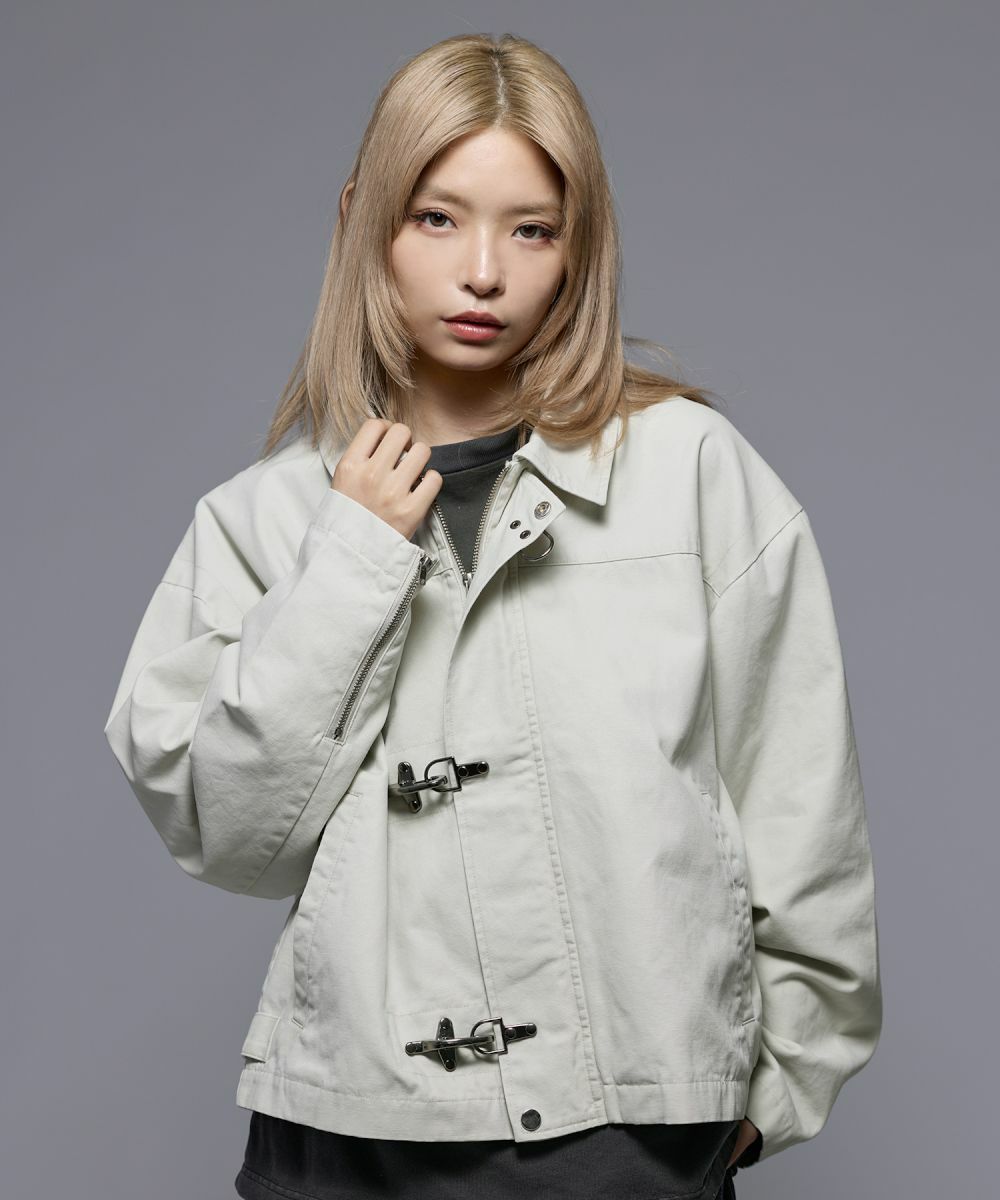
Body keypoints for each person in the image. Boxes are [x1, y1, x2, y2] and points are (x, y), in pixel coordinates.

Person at [102, 31, 882, 1200]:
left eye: (531, 229)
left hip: (631, 1145)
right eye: (436, 218)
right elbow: (230, 835)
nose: (482, 273)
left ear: (580, 248)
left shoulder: (691, 475)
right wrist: (352, 557)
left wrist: (763, 1100)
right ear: (364, 220)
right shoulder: (264, 519)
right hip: (345, 1144)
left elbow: (801, 804)